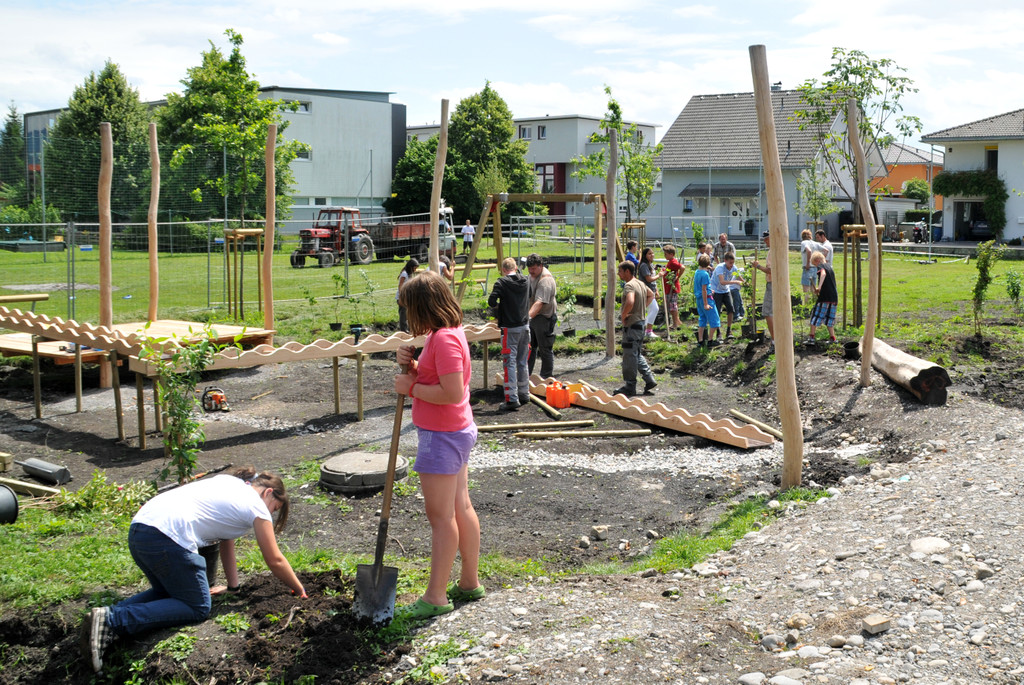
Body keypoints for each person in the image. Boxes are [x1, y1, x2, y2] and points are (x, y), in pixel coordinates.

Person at [81, 467, 305, 673]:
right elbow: (274, 559)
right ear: (268, 493)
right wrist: (300, 589)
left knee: (171, 595)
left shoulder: (230, 484)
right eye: (274, 509)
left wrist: (233, 587)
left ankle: (103, 618)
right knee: (196, 606)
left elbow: (227, 542)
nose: (271, 514)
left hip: (141, 530)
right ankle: (113, 621)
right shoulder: (256, 506)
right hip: (168, 537)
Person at [394, 270, 483, 619]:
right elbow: (443, 378)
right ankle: (468, 582)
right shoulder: (446, 334)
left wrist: (410, 388)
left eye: (409, 309)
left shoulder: (444, 339)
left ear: (423, 307)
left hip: (442, 435)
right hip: (455, 430)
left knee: (441, 517)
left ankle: (435, 597)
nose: (407, 317)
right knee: (460, 507)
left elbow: (451, 392)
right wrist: (415, 366)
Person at [487, 257, 530, 411]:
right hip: (525, 326)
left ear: (504, 270)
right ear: (516, 267)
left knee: (509, 362)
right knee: (522, 361)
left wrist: (502, 306)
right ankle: (524, 393)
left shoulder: (501, 282)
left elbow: (491, 302)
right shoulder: (525, 281)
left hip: (509, 328)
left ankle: (512, 399)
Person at [614, 261, 657, 397]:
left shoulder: (629, 285)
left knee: (629, 356)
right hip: (641, 324)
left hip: (632, 325)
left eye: (620, 271)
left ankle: (630, 386)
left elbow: (630, 301)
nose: (618, 274)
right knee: (636, 353)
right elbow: (651, 295)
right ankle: (649, 379)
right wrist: (642, 308)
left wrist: (624, 315)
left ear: (627, 271)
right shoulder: (640, 283)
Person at [525, 253, 557, 379]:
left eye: (533, 269)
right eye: (529, 269)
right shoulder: (533, 275)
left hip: (544, 317)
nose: (531, 271)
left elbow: (539, 303)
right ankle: (525, 375)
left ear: (541, 266)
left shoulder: (545, 281)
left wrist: (526, 319)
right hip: (534, 317)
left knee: (545, 349)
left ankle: (546, 378)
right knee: (529, 348)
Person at [807, 251, 838, 345]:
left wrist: (819, 287)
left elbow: (823, 274)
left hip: (824, 297)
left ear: (817, 260)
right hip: (834, 297)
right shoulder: (830, 267)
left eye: (815, 264)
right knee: (829, 318)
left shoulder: (822, 267)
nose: (816, 266)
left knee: (815, 316)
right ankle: (833, 338)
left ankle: (811, 337)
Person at [751, 231, 775, 352]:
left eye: (766, 239)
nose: (765, 241)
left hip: (773, 284)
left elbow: (771, 270)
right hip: (776, 284)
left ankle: (775, 341)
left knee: (767, 312)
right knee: (774, 313)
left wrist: (758, 266)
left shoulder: (773, 252)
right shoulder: (776, 250)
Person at [710, 252, 743, 340]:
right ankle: (718, 333)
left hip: (725, 290)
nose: (732, 265)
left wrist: (746, 283)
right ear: (725, 261)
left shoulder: (734, 267)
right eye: (730, 263)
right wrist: (735, 282)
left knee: (731, 309)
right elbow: (722, 282)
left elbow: (739, 277)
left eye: (733, 262)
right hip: (716, 291)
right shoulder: (720, 267)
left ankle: (729, 331)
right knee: (717, 312)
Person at [693, 253, 721, 347]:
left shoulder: (697, 272)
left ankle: (700, 341)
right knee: (715, 320)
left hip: (699, 299)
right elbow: (704, 289)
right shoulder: (705, 274)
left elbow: (702, 287)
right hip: (707, 300)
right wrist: (706, 304)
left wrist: (710, 290)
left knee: (702, 319)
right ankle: (710, 340)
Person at [637, 247, 660, 338]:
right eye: (649, 254)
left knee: (651, 309)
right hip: (646, 291)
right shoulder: (643, 265)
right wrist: (659, 275)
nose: (652, 255)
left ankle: (644, 329)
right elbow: (649, 279)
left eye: (652, 253)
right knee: (655, 309)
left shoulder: (650, 265)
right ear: (645, 255)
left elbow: (653, 280)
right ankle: (648, 331)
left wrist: (656, 290)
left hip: (652, 291)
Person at [662, 244, 685, 329]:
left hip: (673, 287)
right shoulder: (670, 262)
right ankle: (677, 321)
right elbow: (669, 270)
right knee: (671, 305)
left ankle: (675, 323)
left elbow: (682, 267)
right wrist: (664, 270)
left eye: (666, 254)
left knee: (672, 306)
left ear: (671, 254)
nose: (665, 256)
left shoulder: (673, 262)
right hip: (668, 287)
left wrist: (678, 277)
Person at [397, 258, 419, 333]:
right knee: (403, 313)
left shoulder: (408, 274)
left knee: (408, 312)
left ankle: (409, 329)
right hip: (402, 297)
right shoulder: (404, 274)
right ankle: (403, 330)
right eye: (414, 268)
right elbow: (400, 285)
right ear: (410, 267)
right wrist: (401, 297)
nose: (415, 270)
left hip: (406, 297)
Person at [799, 228, 819, 302]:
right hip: (815, 268)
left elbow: (809, 250)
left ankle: (806, 306)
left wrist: (808, 263)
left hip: (808, 268)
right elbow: (825, 250)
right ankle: (814, 304)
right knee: (813, 289)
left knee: (806, 290)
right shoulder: (815, 243)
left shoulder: (804, 243)